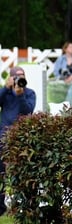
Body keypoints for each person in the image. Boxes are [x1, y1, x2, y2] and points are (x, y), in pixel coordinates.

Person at [0, 66, 36, 216]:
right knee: (1, 173)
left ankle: (25, 206)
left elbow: (28, 111)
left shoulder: (29, 93)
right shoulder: (6, 93)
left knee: (23, 173)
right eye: (17, 77)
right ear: (11, 78)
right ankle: (1, 207)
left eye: (22, 76)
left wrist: (20, 95)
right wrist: (5, 88)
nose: (20, 79)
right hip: (3, 136)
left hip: (21, 137)